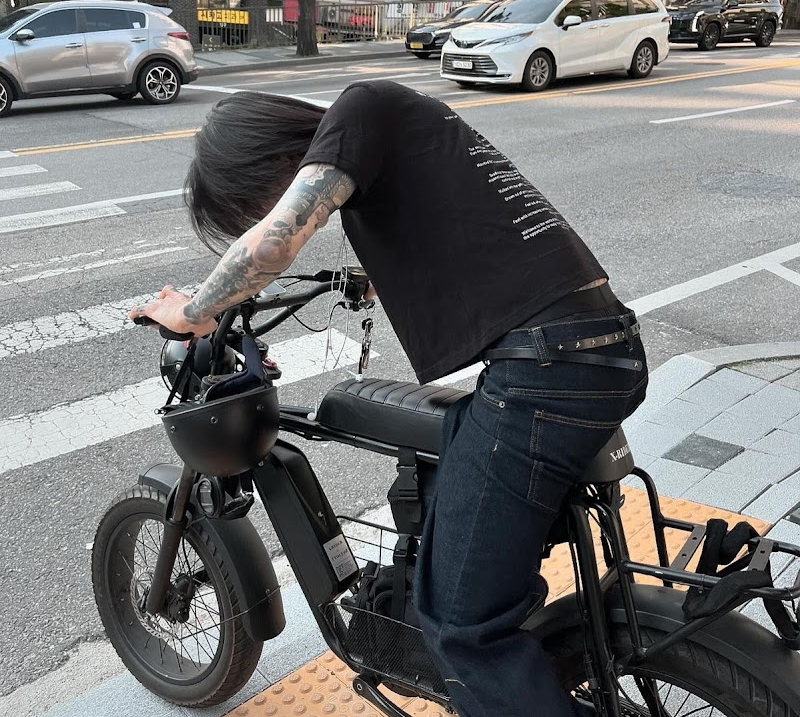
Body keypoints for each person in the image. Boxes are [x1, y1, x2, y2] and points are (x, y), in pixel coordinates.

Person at [132, 81, 648, 717]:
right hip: (593, 354)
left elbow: (271, 244)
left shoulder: (359, 110)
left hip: (546, 375)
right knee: (453, 468)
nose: (257, 215)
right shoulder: (390, 139)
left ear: (266, 160)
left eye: (247, 204)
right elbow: (458, 230)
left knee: (461, 628)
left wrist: (191, 311)